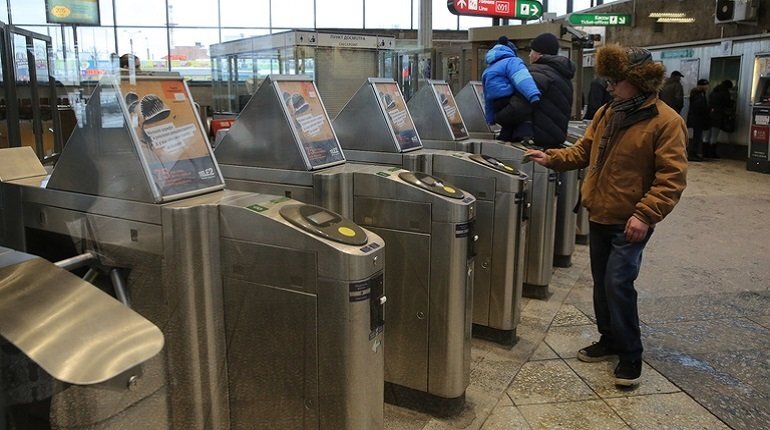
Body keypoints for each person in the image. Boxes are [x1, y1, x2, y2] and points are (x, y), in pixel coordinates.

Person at [524, 44, 688, 387]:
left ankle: (631, 355)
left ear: (638, 81)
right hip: (600, 213)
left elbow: (671, 178)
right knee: (602, 284)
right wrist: (552, 157)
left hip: (630, 220)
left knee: (618, 283)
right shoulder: (607, 113)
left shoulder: (666, 122)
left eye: (615, 81)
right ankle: (609, 339)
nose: (609, 86)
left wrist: (645, 214)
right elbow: (585, 151)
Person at [502, 32, 575, 148]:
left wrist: (498, 117)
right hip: (553, 140)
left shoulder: (537, 74)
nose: (530, 55)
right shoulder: (562, 74)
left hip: (534, 141)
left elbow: (518, 107)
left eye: (532, 51)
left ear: (539, 53)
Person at [482, 36, 541, 142]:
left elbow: (487, 97)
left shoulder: (489, 69)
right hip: (507, 98)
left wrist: (490, 118)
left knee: (509, 121)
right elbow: (522, 79)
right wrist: (533, 94)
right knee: (524, 115)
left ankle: (505, 136)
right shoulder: (512, 61)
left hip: (497, 103)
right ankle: (524, 136)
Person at [707, 79, 734, 158]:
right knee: (714, 135)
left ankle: (706, 152)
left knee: (708, 134)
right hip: (718, 115)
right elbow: (728, 104)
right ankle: (712, 153)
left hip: (710, 115)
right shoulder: (725, 93)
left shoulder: (714, 91)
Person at [686, 79, 710, 161]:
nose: (707, 87)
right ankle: (693, 153)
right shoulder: (698, 95)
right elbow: (698, 107)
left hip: (697, 118)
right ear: (701, 85)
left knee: (697, 136)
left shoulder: (699, 93)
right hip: (697, 119)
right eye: (706, 85)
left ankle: (694, 153)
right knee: (697, 136)